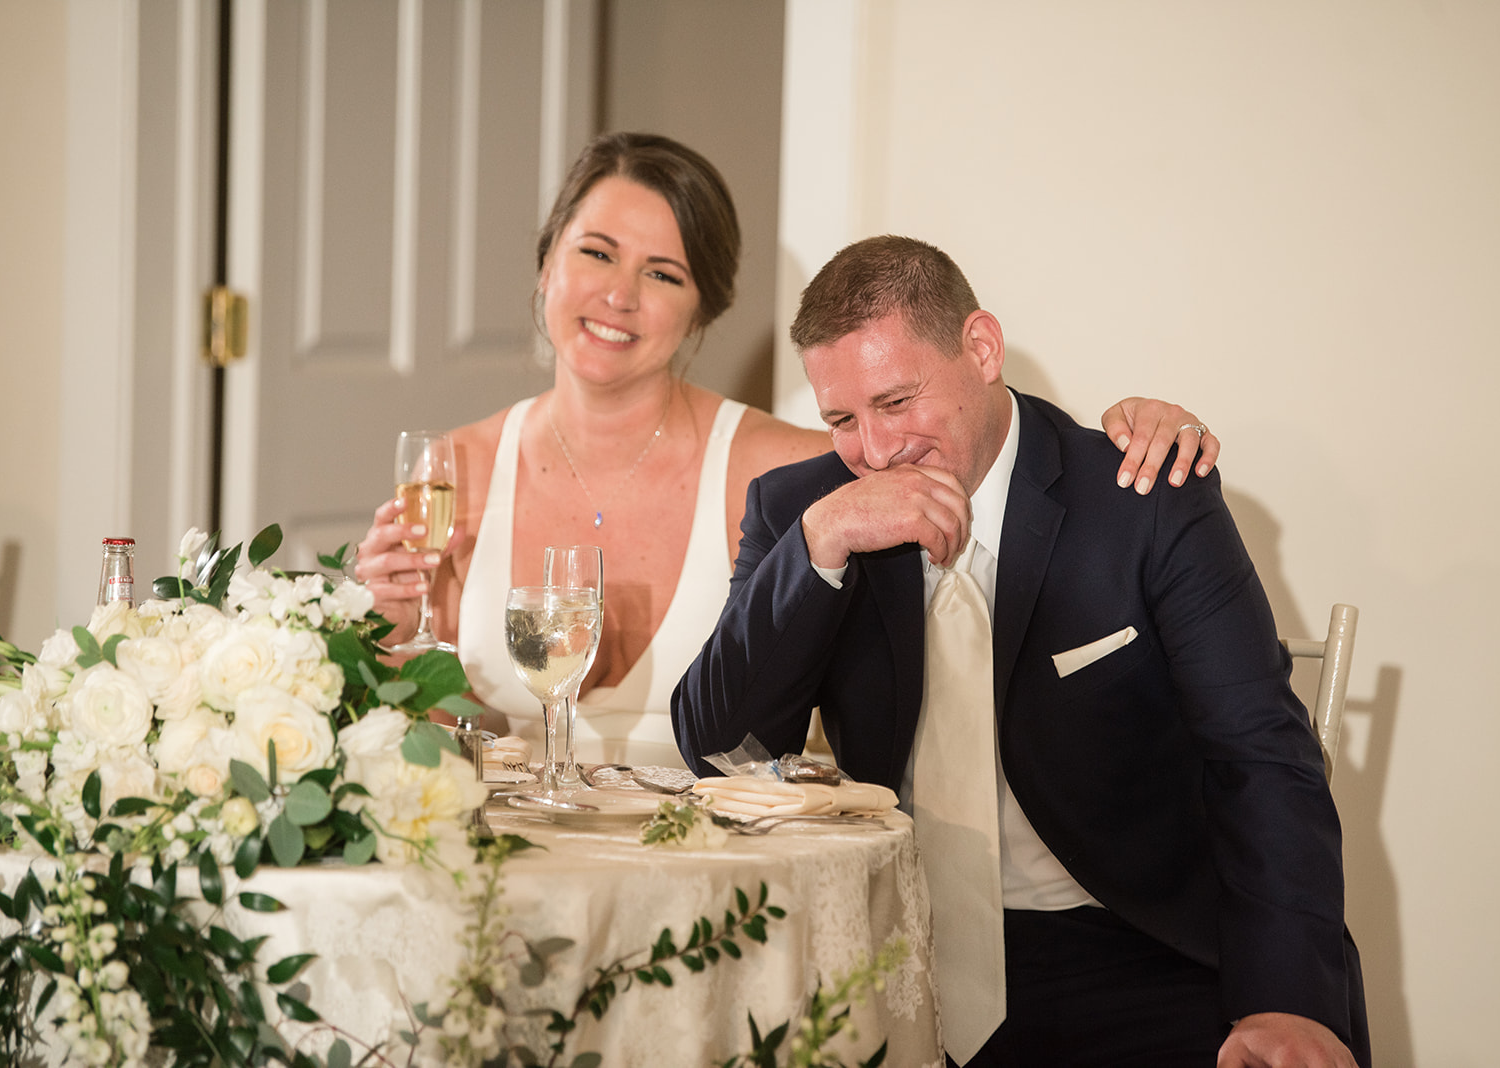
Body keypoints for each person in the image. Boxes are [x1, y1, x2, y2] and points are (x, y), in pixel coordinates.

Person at [672, 235, 1369, 1066]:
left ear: (981, 348)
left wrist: (1287, 1002)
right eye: (841, 419)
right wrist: (818, 546)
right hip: (895, 956)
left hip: (1140, 951)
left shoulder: (1142, 495)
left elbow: (1261, 755)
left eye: (895, 401)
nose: (876, 449)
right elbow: (720, 754)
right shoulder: (804, 510)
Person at [355, 132, 1220, 769]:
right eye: (595, 253)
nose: (618, 295)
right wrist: (383, 642)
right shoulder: (451, 473)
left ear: (703, 308)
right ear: (546, 267)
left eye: (664, 273)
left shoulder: (796, 467)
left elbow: (960, 455)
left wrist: (1137, 427)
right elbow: (435, 733)